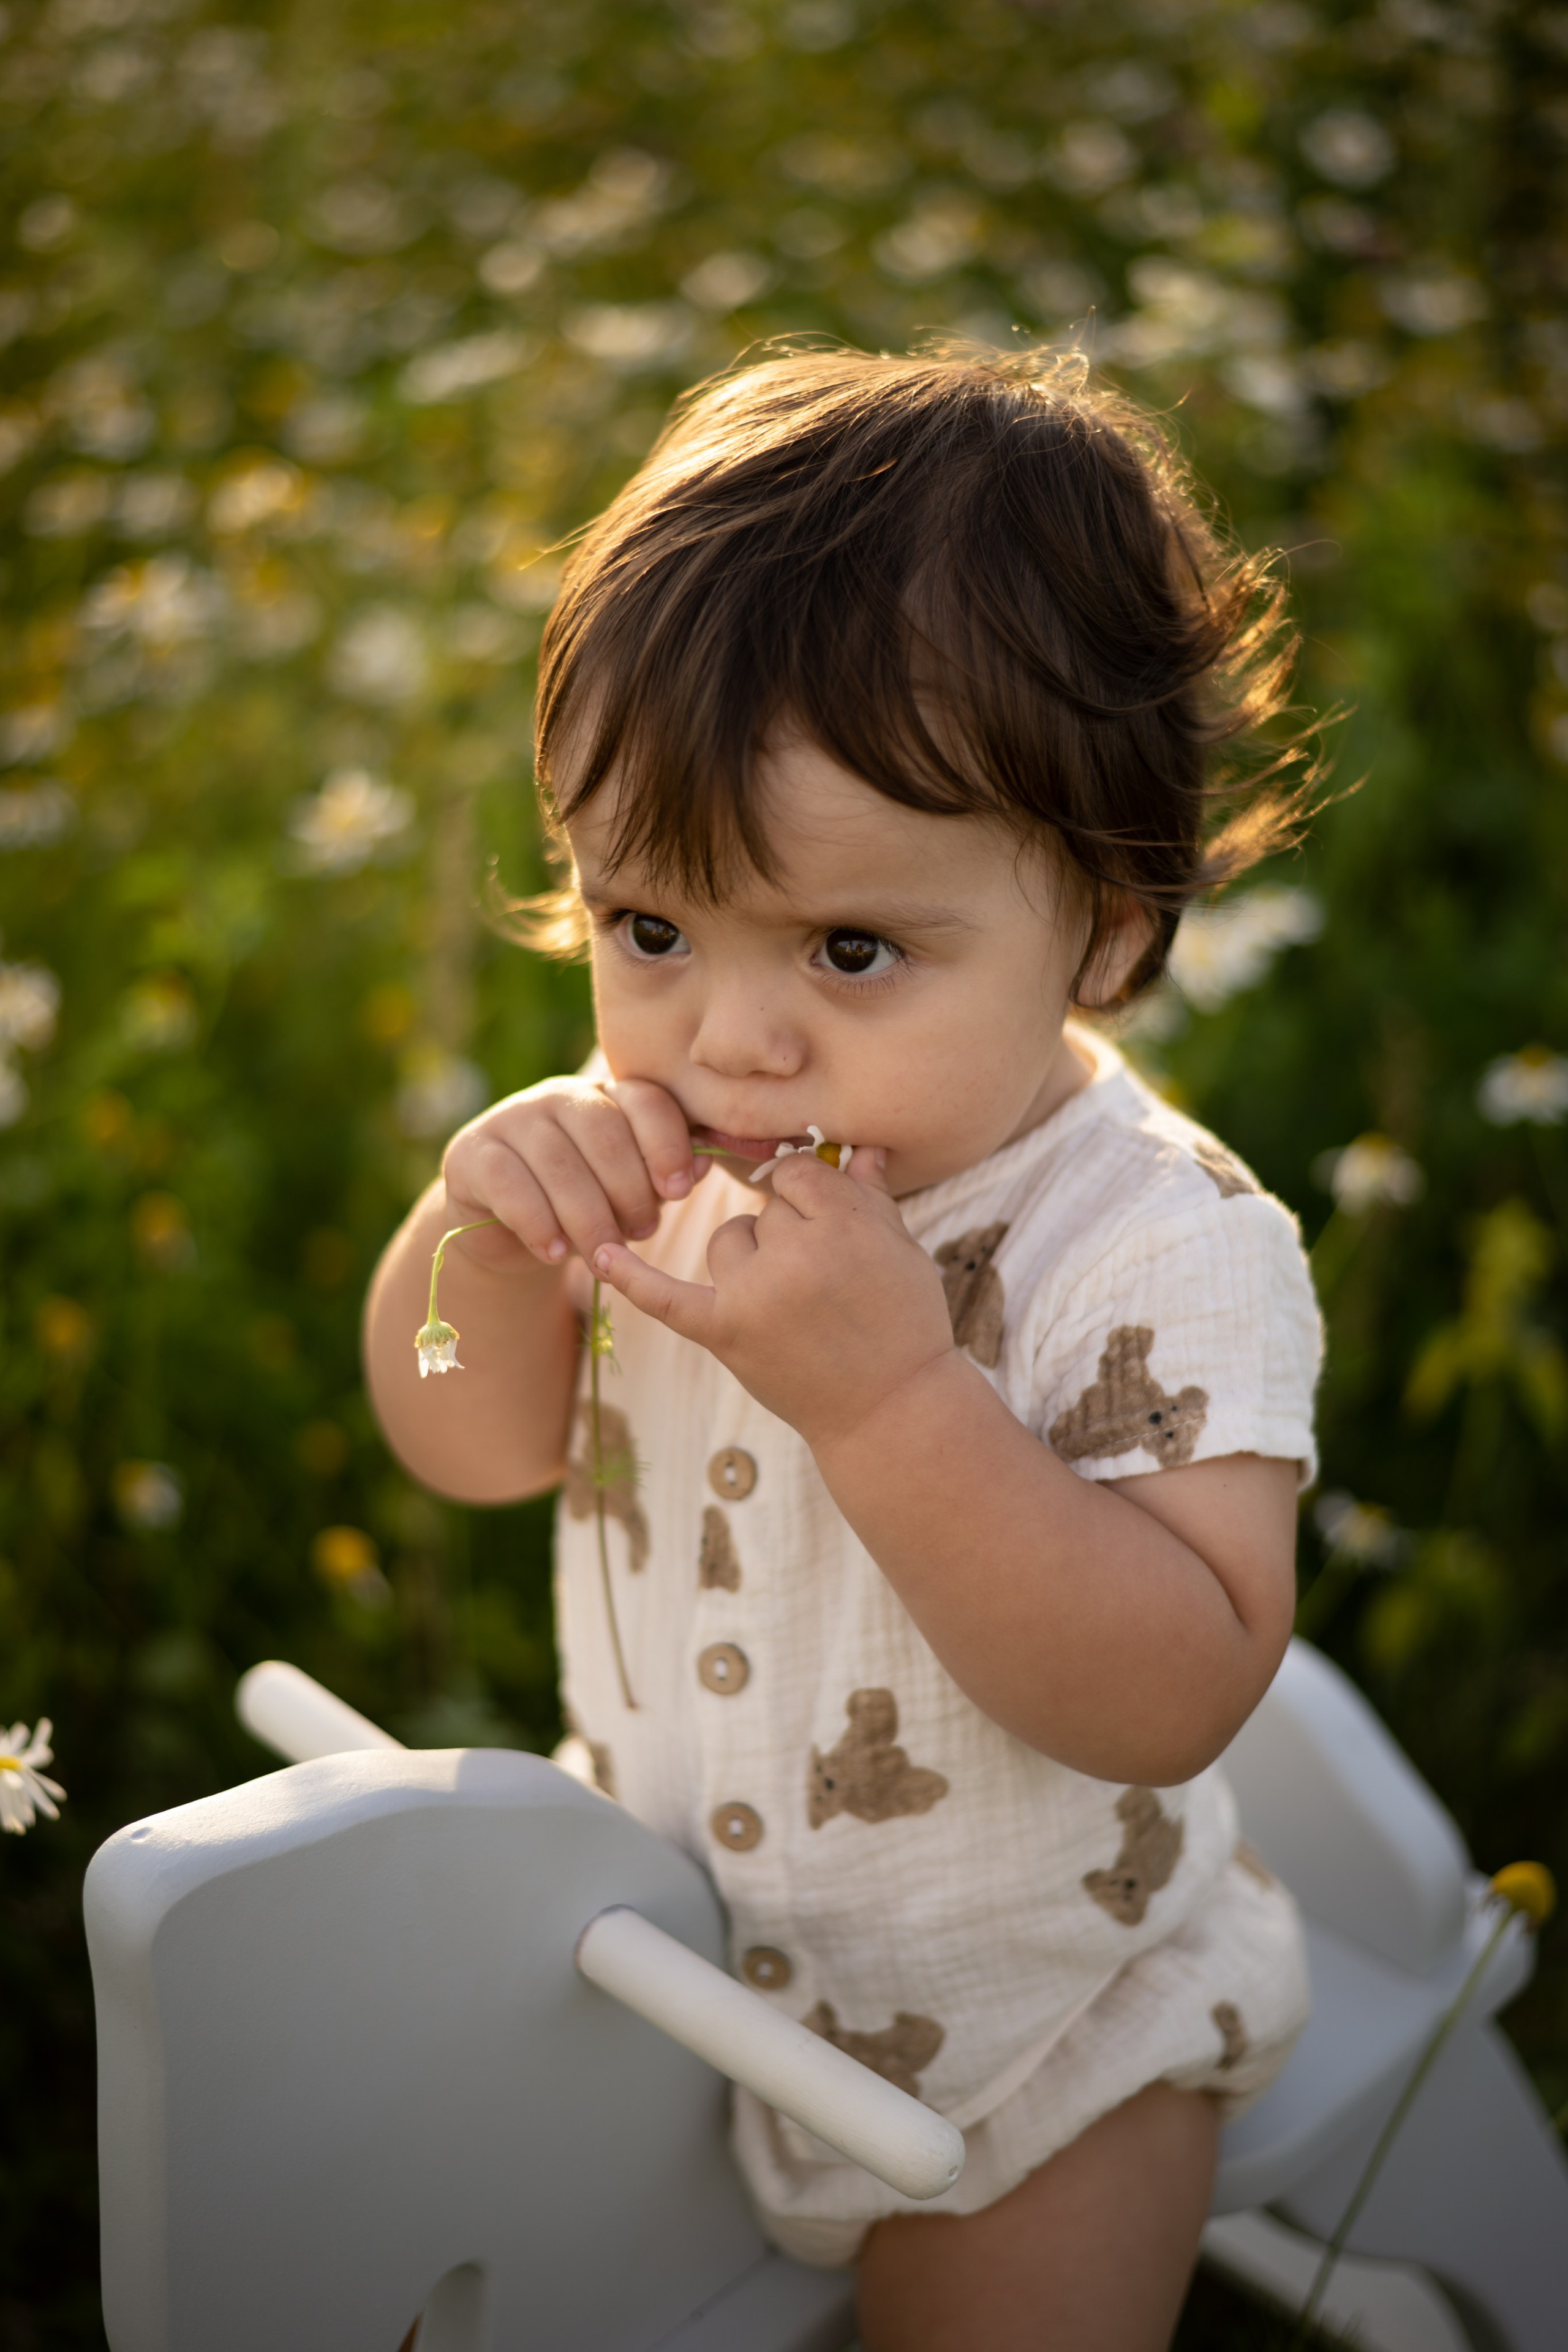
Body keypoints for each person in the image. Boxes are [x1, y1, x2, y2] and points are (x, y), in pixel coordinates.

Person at [364, 344, 1322, 2352]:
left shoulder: (1160, 1242)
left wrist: (894, 1400)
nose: (729, 1043)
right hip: (657, 1966)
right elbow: (464, 1448)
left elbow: (1176, 1687)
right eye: (649, 929)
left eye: (852, 951)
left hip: (1039, 2033)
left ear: (1115, 932)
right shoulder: (653, 1158)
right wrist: (485, 1243)